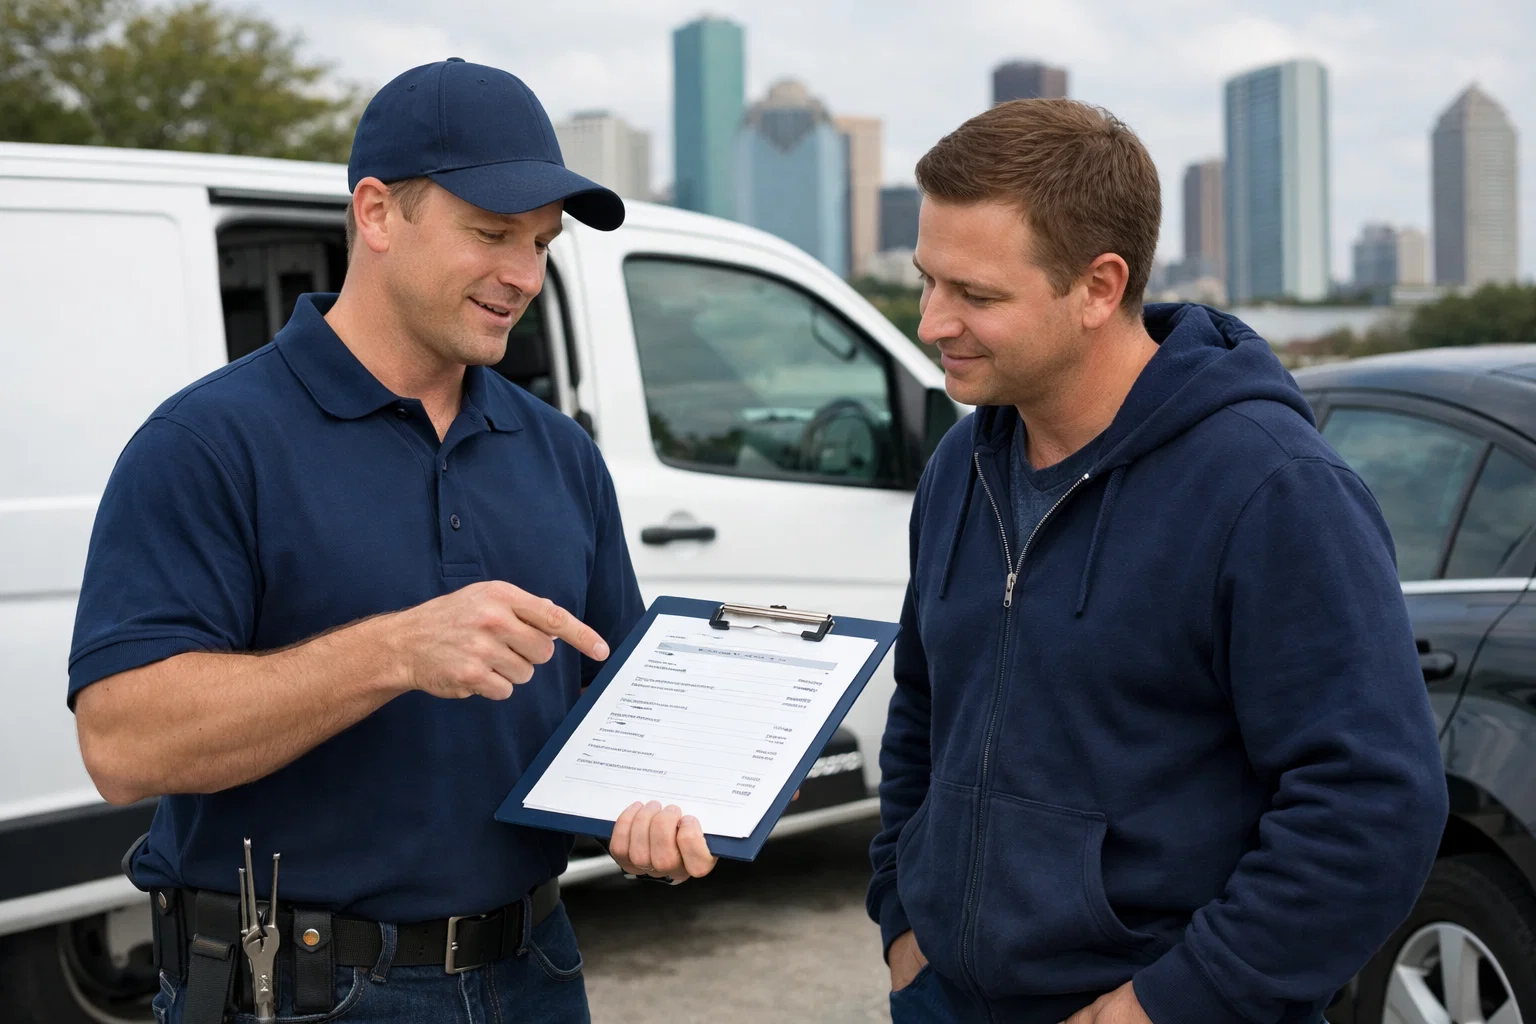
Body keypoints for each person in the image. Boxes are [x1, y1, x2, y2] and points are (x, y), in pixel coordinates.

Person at [69, 59, 713, 1024]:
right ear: (376, 214)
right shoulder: (208, 443)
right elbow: (121, 742)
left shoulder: (559, 453)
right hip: (294, 990)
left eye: (540, 245)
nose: (524, 277)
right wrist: (394, 651)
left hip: (534, 972)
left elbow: (620, 719)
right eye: (492, 234)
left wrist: (663, 817)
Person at [866, 99, 1448, 1024]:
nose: (934, 321)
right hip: (944, 996)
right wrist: (903, 921)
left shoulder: (1273, 489)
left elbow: (1372, 805)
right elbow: (926, 708)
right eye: (927, 280)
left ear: (1100, 286)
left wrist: (1174, 1002)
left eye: (976, 295)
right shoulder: (959, 467)